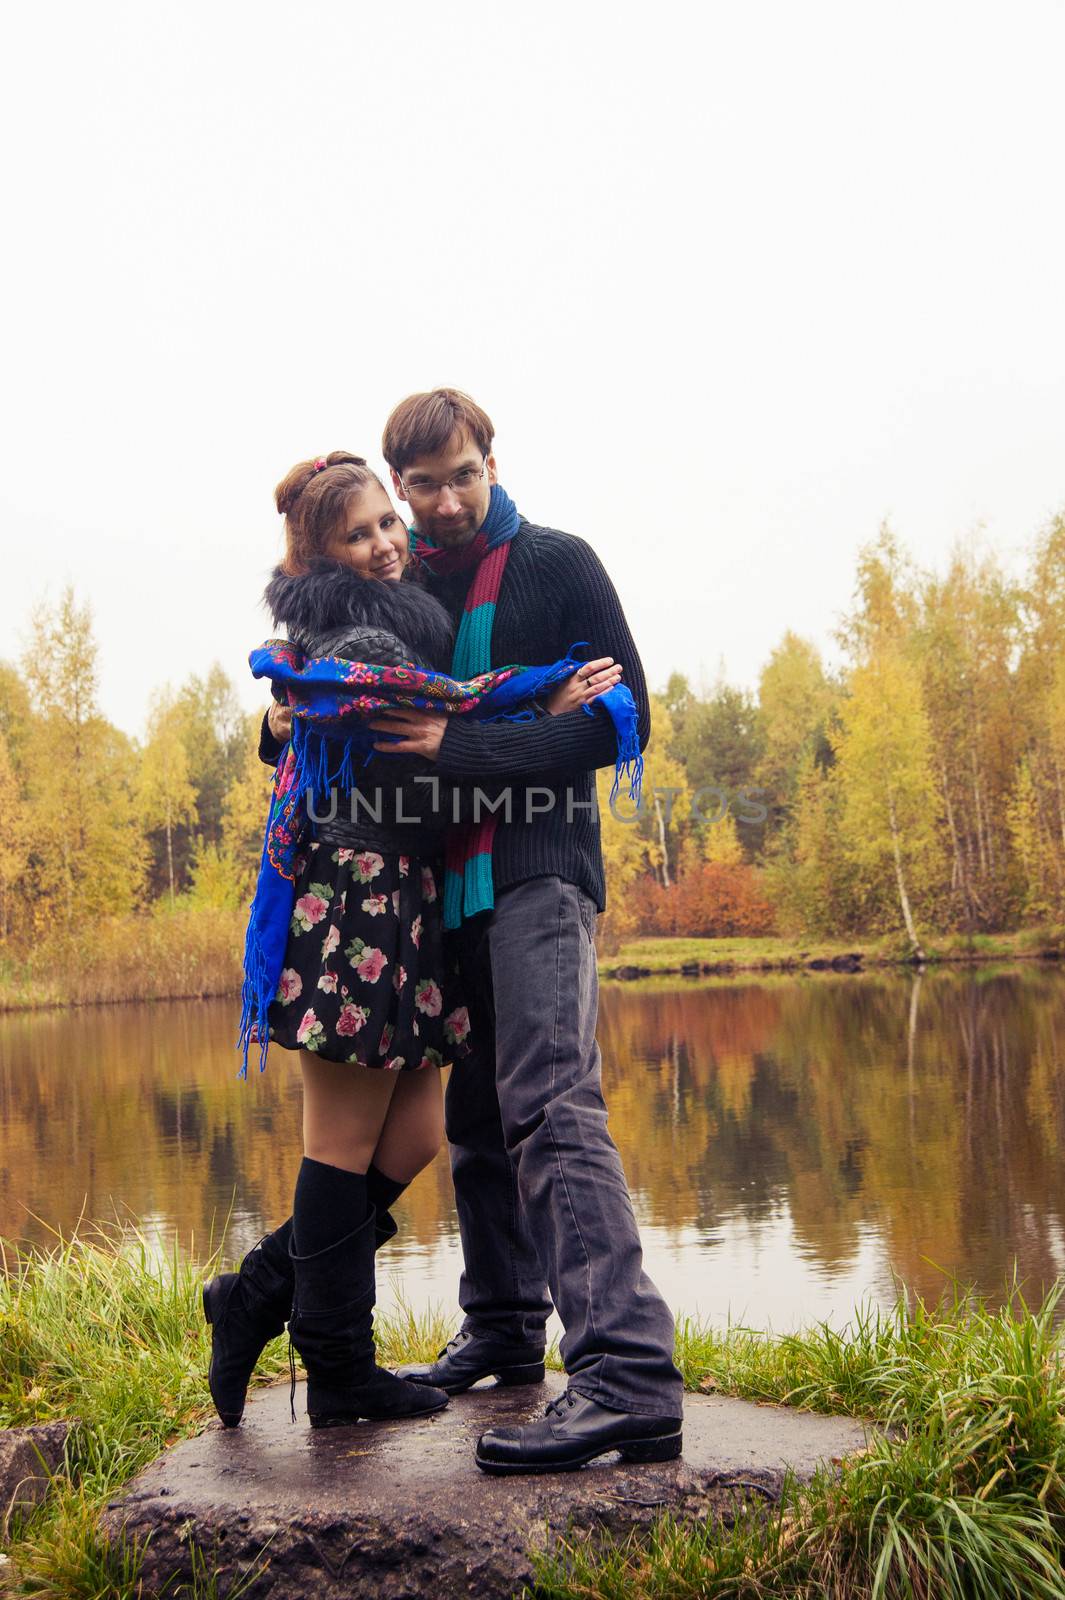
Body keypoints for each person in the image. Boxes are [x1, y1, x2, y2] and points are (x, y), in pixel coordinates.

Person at [204, 450, 621, 1434]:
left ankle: (259, 1294)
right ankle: (338, 1364)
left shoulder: (389, 627)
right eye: (362, 533)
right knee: (342, 1145)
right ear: (324, 554)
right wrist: (541, 712)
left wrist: (513, 707)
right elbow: (428, 775)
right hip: (358, 903)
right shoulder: (365, 639)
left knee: (418, 1134)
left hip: (405, 906)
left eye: (391, 522)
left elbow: (430, 725)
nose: (391, 542)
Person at [369, 389, 685, 1474]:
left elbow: (620, 714)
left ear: (492, 461)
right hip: (443, 883)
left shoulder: (558, 562)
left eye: (465, 474)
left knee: (550, 1100)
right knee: (475, 1114)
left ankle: (628, 1375)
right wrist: (278, 724)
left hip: (542, 869)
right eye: (426, 484)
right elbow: (357, 715)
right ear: (398, 487)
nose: (449, 500)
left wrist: (459, 744)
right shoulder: (400, 586)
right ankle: (505, 1326)